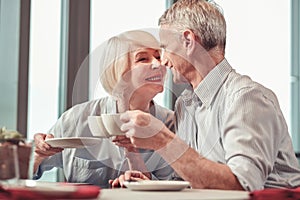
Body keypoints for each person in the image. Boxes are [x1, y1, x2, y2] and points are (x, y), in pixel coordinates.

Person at [113, 0, 300, 191]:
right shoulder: (184, 105)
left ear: (188, 41)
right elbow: (190, 180)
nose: (164, 61)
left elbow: (243, 186)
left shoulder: (246, 98)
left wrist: (163, 140)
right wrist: (147, 180)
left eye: (165, 48)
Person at [33, 30, 174, 188]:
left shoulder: (172, 125)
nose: (158, 64)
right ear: (118, 70)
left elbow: (179, 190)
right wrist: (37, 155)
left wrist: (133, 155)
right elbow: (25, 171)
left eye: (158, 57)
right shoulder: (77, 118)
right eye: (143, 59)